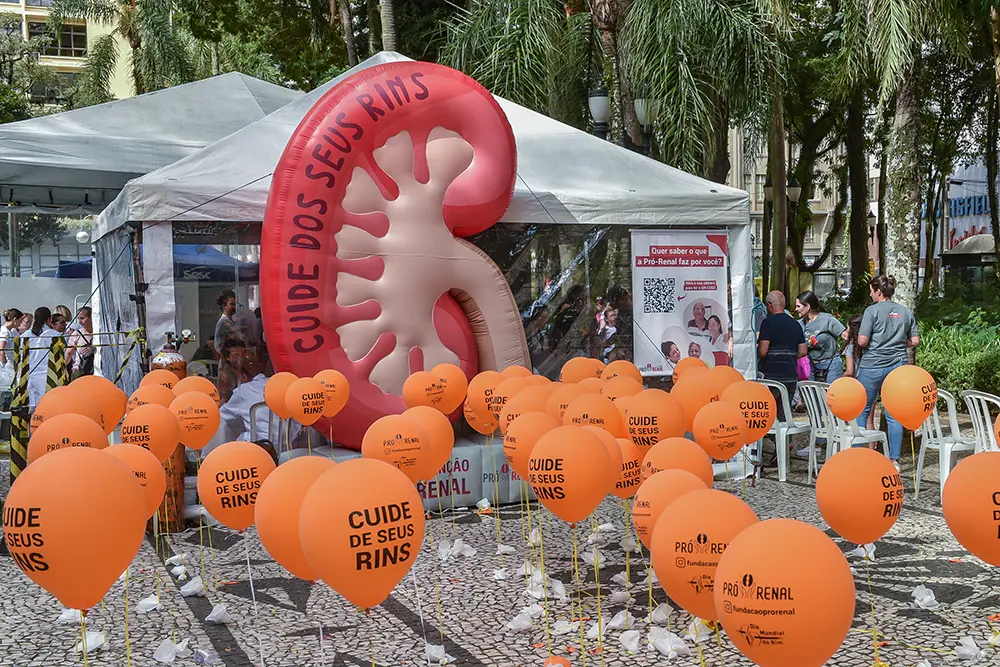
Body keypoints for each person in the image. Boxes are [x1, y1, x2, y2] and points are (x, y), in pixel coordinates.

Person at [856, 276, 919, 471]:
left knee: (862, 409)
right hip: (897, 366)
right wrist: (900, 343)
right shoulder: (905, 311)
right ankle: (894, 460)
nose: (870, 294)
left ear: (878, 292)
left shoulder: (871, 311)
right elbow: (915, 340)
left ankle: (859, 454)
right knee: (894, 414)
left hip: (872, 365)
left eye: (871, 290)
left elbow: (862, 341)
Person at [757, 291, 807, 421]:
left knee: (768, 415)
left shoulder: (767, 323)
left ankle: (773, 439)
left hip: (771, 378)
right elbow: (803, 351)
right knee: (785, 415)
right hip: (790, 377)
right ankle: (786, 441)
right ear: (784, 304)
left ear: (769, 305)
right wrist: (788, 356)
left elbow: (763, 351)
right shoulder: (795, 324)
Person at [794, 291, 847, 383]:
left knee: (830, 394)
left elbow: (846, 336)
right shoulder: (799, 324)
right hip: (811, 365)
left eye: (798, 306)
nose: (796, 309)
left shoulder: (827, 319)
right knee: (811, 395)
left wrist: (848, 355)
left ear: (808, 306)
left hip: (831, 364)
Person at [20, 307, 60, 411]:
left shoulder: (25, 335)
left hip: (29, 376)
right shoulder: (55, 335)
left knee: (30, 409)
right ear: (49, 319)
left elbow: (21, 357)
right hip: (48, 377)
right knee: (47, 408)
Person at [67, 307, 95, 378]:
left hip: (98, 371)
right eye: (78, 318)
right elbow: (68, 353)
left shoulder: (101, 333)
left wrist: (94, 349)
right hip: (80, 371)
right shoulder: (77, 333)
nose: (80, 322)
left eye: (82, 318)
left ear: (92, 317)